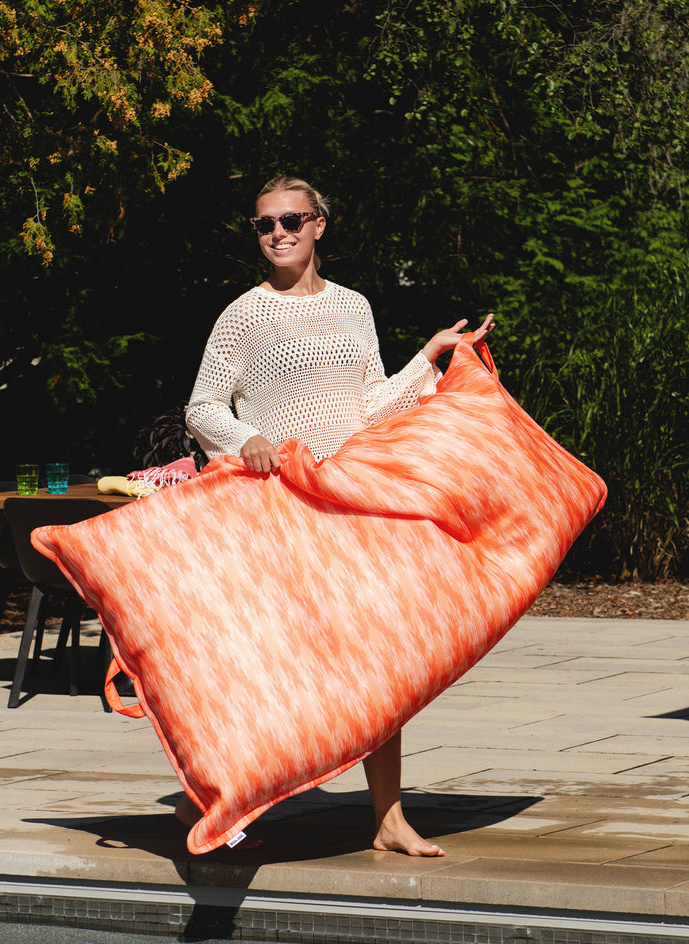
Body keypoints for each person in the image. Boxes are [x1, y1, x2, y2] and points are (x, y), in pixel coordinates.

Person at [183, 175, 494, 857]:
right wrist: (247, 440)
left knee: (377, 660)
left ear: (320, 224)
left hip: (349, 501)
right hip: (281, 508)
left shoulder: (355, 307)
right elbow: (202, 405)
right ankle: (229, 801)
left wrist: (430, 357)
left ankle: (387, 819)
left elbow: (373, 406)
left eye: (292, 220)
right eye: (264, 225)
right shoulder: (245, 314)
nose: (278, 234)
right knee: (270, 661)